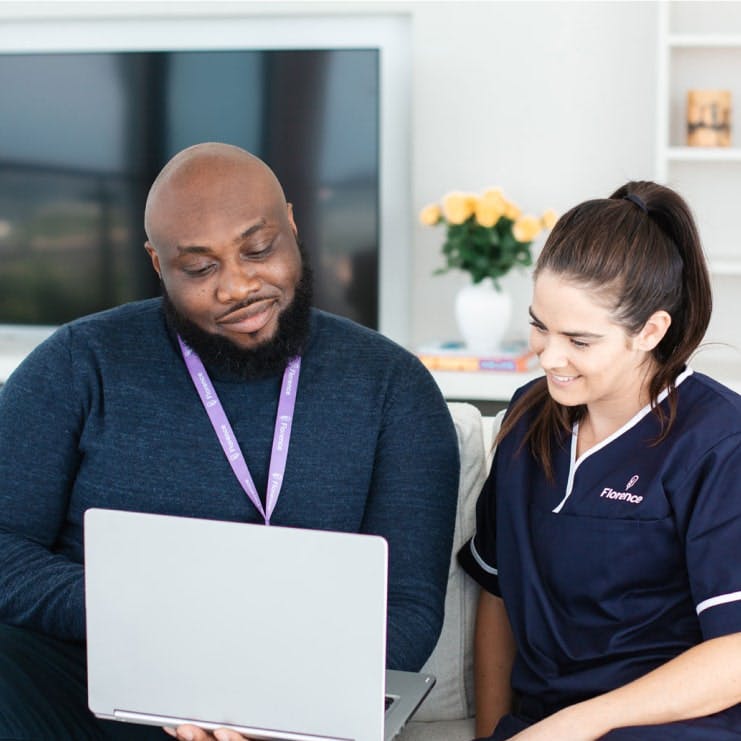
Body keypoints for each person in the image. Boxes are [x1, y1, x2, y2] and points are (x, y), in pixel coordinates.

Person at [0, 142, 460, 741]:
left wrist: (263, 694)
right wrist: (141, 616)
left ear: (292, 226)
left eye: (259, 249)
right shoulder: (78, 363)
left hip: (298, 697)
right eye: (199, 268)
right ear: (157, 264)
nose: (238, 287)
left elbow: (407, 606)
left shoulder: (393, 388)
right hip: (88, 687)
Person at [459, 180, 741, 740]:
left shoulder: (718, 440)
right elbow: (496, 595)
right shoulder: (526, 419)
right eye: (540, 326)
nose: (550, 356)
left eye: (579, 341)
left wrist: (576, 725)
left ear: (651, 331)